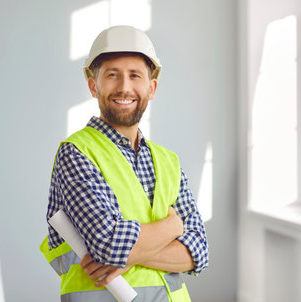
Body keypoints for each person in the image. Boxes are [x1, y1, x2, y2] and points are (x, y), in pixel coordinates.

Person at [40, 25, 209, 301]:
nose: (124, 87)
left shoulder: (169, 162)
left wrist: (132, 255)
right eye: (112, 75)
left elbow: (199, 252)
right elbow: (109, 246)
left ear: (151, 88)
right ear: (94, 85)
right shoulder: (76, 153)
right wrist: (173, 227)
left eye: (135, 76)